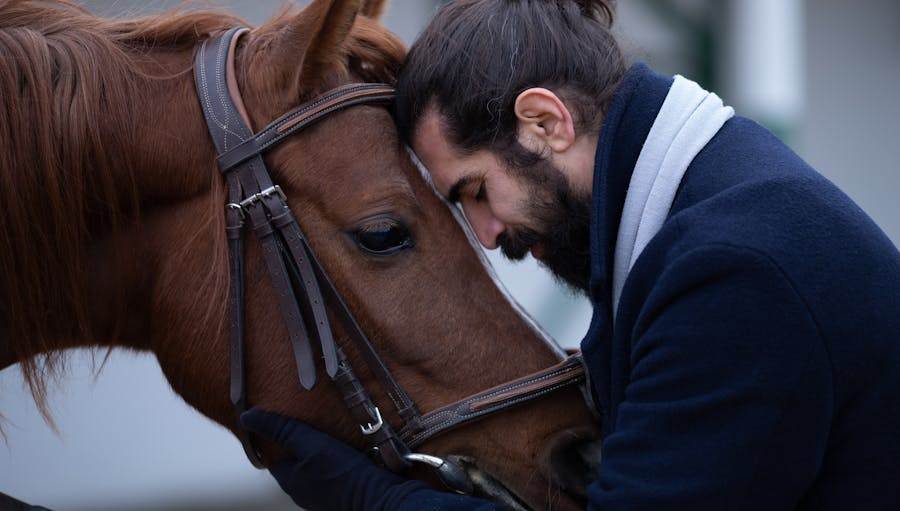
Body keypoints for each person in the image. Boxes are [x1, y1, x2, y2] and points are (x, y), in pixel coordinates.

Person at [242, 1, 900, 509]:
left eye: (476, 191)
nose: (488, 233)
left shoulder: (737, 274)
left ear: (546, 123)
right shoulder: (711, 196)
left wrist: (365, 496)